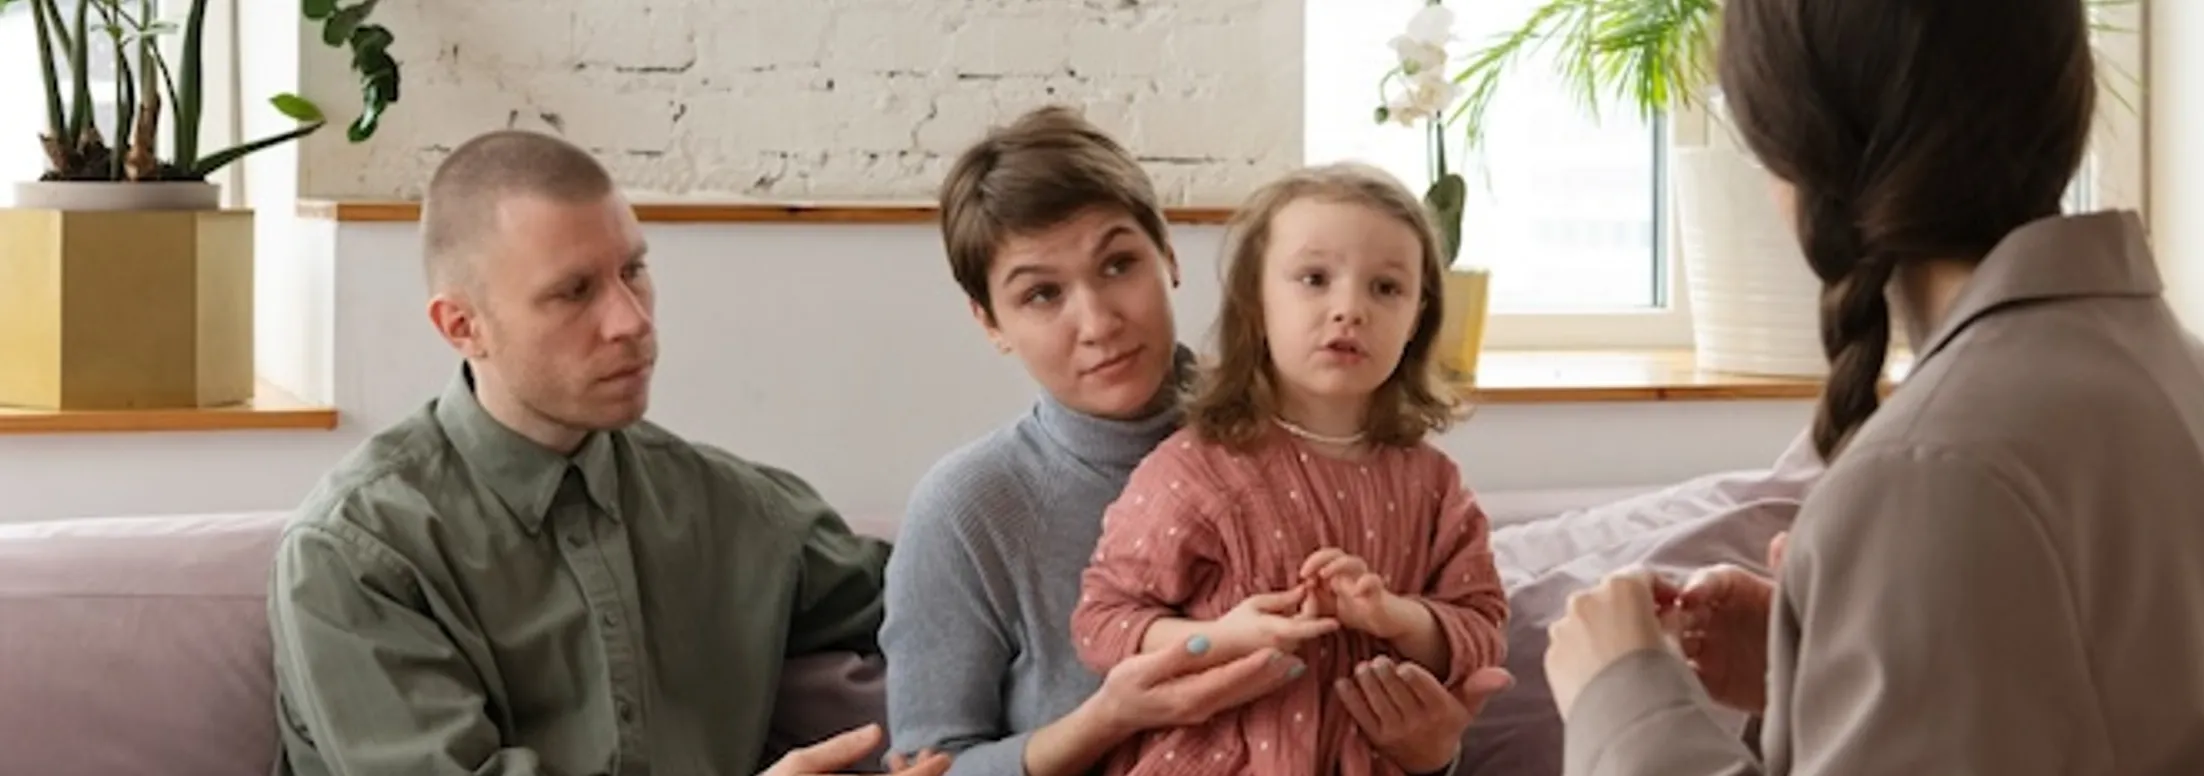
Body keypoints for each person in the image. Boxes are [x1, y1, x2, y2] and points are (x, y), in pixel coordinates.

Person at [1539, 0, 2204, 772]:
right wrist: (1819, 663)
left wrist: (1625, 700)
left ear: (1796, 149)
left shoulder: (1936, 469)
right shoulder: (2194, 387)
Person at [265, 129, 940, 776]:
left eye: (634, 271)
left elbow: (945, 598)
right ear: (463, 326)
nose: (632, 321)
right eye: (574, 291)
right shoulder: (353, 554)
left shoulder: (733, 509)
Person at [879, 106, 1508, 776]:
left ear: (1169, 257)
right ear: (990, 322)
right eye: (1041, 294)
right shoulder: (968, 505)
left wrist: (1433, 757)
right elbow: (926, 766)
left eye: (1120, 264)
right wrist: (1105, 719)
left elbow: (1409, 672)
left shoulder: (1325, 428)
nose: (1098, 322)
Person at [1070, 162, 1510, 775]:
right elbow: (1103, 621)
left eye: (1386, 288)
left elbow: (1481, 626)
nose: (1349, 309)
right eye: (1314, 278)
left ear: (1418, 319)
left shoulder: (1435, 487)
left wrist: (1397, 617)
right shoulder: (1194, 472)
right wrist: (1221, 638)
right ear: (1256, 302)